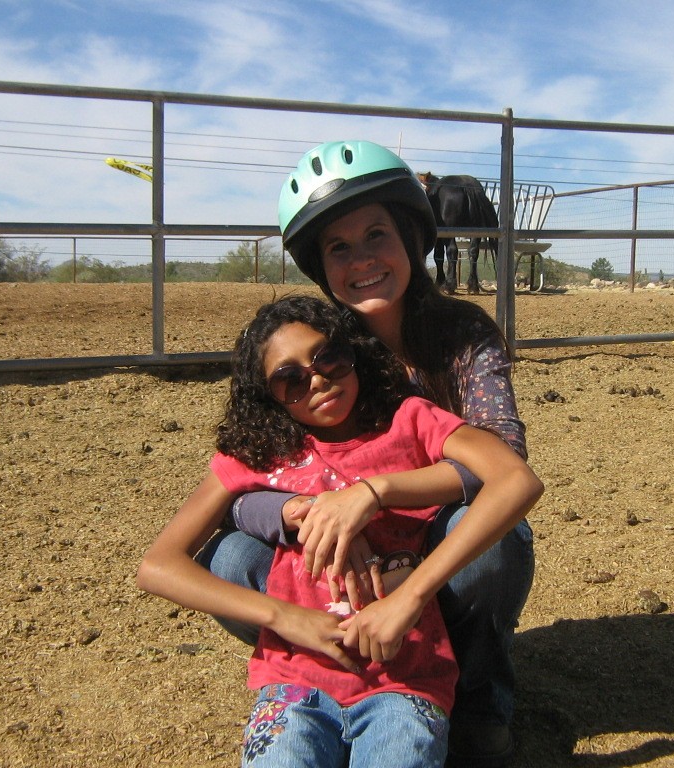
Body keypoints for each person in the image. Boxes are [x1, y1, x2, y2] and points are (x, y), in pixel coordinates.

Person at [199, 140, 534, 766]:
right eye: (339, 247)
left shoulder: (463, 336)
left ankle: (477, 695)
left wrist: (373, 493)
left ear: (410, 237)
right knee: (230, 557)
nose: (363, 261)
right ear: (321, 266)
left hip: (434, 544)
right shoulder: (316, 350)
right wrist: (309, 513)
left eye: (376, 235)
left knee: (495, 544)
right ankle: (322, 662)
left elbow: (501, 456)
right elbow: (252, 471)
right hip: (340, 548)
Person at [138, 295, 543, 767]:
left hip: (406, 680)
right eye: (290, 379)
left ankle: (478, 708)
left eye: (328, 357)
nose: (318, 381)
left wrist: (408, 598)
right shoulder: (260, 456)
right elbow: (157, 565)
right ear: (269, 396)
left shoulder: (409, 420)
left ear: (353, 352)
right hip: (294, 683)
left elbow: (517, 478)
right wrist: (282, 617)